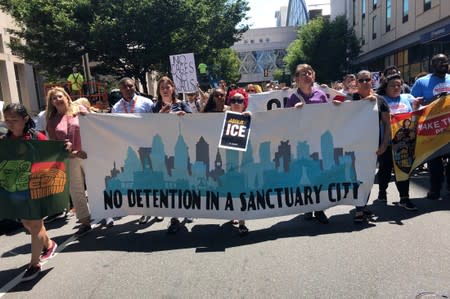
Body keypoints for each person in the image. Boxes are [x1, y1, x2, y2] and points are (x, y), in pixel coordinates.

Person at [2, 103, 63, 281]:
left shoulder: (37, 137)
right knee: (28, 224)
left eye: (14, 119)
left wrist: (64, 149)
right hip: (17, 190)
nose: (10, 123)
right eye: (7, 120)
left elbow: (54, 154)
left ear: (25, 119)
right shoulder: (5, 142)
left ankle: (34, 264)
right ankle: (50, 244)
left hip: (37, 189)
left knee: (35, 225)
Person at [111, 77, 161, 225]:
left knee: (152, 178)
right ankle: (145, 211)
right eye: (125, 87)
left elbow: (156, 123)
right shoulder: (116, 108)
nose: (128, 89)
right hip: (129, 149)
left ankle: (158, 210)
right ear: (120, 90)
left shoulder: (146, 103)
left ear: (135, 87)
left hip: (148, 146)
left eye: (131, 86)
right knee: (138, 181)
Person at [285, 64, 329, 224]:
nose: (307, 75)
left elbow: (329, 116)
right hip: (302, 143)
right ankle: (308, 207)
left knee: (319, 175)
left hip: (318, 142)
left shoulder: (322, 95)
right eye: (303, 74)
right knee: (305, 176)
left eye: (309, 72)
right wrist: (294, 112)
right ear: (296, 79)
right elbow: (286, 122)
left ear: (314, 76)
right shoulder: (292, 99)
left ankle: (320, 209)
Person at [46, 87, 92, 236]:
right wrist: (68, 153)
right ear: (51, 103)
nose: (57, 100)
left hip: (87, 155)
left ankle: (105, 214)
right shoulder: (52, 121)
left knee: (97, 185)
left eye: (60, 96)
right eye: (54, 98)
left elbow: (95, 125)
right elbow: (52, 144)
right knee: (76, 190)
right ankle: (85, 221)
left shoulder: (80, 110)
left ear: (66, 97)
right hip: (69, 159)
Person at [152, 76, 192, 234]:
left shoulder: (182, 104)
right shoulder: (155, 107)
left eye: (167, 87)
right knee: (169, 184)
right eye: (162, 87)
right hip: (164, 151)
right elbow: (150, 127)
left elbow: (196, 123)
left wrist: (185, 117)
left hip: (181, 150)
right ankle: (174, 217)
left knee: (183, 181)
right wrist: (160, 115)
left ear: (173, 88)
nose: (165, 89)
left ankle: (188, 209)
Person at [351, 70, 391, 222]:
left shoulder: (380, 100)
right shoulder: (352, 99)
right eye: (361, 80)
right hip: (354, 145)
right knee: (357, 176)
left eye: (367, 79)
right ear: (356, 83)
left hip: (373, 146)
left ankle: (362, 204)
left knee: (367, 177)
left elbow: (387, 124)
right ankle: (359, 209)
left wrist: (384, 144)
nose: (365, 83)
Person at [377, 73, 419, 210]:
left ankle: (404, 198)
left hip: (404, 144)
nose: (396, 87)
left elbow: (416, 113)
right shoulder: (381, 100)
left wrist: (417, 107)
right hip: (387, 142)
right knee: (385, 170)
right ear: (385, 87)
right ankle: (382, 191)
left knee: (403, 171)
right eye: (392, 85)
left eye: (399, 85)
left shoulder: (407, 98)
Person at [411, 53, 450, 200]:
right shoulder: (422, 82)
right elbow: (413, 104)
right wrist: (434, 100)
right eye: (440, 62)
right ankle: (435, 189)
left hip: (449, 128)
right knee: (434, 164)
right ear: (433, 65)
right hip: (432, 129)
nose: (444, 65)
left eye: (445, 62)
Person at [227, 89, 251, 236]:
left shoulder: (249, 117)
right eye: (233, 100)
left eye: (240, 100)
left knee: (242, 189)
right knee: (231, 188)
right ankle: (231, 213)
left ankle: (242, 222)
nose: (236, 103)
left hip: (244, 162)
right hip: (228, 162)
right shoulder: (222, 117)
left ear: (245, 104)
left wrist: (251, 118)